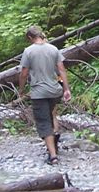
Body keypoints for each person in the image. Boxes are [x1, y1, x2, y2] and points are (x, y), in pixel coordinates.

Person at [17, 25, 71, 165]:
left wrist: (21, 90)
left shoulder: (28, 51)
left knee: (43, 122)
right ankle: (55, 137)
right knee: (52, 114)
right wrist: (66, 89)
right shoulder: (53, 49)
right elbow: (62, 70)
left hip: (39, 92)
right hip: (54, 90)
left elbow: (23, 73)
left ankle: (53, 156)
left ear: (30, 37)